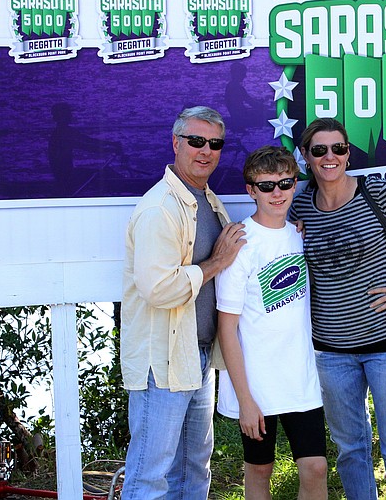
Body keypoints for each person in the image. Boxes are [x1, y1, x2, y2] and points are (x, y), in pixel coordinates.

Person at [289, 118, 386, 500]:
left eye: (339, 149)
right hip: (331, 352)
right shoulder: (296, 207)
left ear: (348, 153)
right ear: (306, 158)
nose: (330, 157)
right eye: (320, 150)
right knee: (351, 450)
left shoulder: (374, 191)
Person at [120, 106, 246, 500]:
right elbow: (158, 289)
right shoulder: (161, 208)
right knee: (149, 476)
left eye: (214, 143)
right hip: (164, 361)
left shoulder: (207, 201)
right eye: (196, 141)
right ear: (176, 143)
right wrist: (214, 264)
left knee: (194, 470)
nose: (205, 150)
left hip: (199, 357)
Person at [216, 146, 327, 500]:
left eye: (285, 183)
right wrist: (245, 399)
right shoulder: (239, 245)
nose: (277, 193)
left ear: (295, 184)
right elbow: (227, 328)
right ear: (250, 190)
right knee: (260, 470)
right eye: (266, 186)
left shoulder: (299, 233)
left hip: (300, 377)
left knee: (316, 467)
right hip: (257, 384)